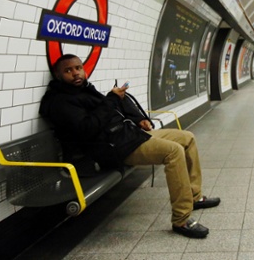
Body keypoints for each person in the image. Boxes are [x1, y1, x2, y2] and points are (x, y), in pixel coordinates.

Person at [39, 54, 219, 239]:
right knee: (174, 151)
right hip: (112, 148)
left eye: (78, 68)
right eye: (68, 71)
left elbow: (112, 112)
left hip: (126, 136)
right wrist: (110, 99)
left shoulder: (85, 91)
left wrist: (138, 119)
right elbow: (88, 129)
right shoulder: (60, 102)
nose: (76, 73)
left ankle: (194, 196)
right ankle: (181, 218)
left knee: (187, 138)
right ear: (58, 76)